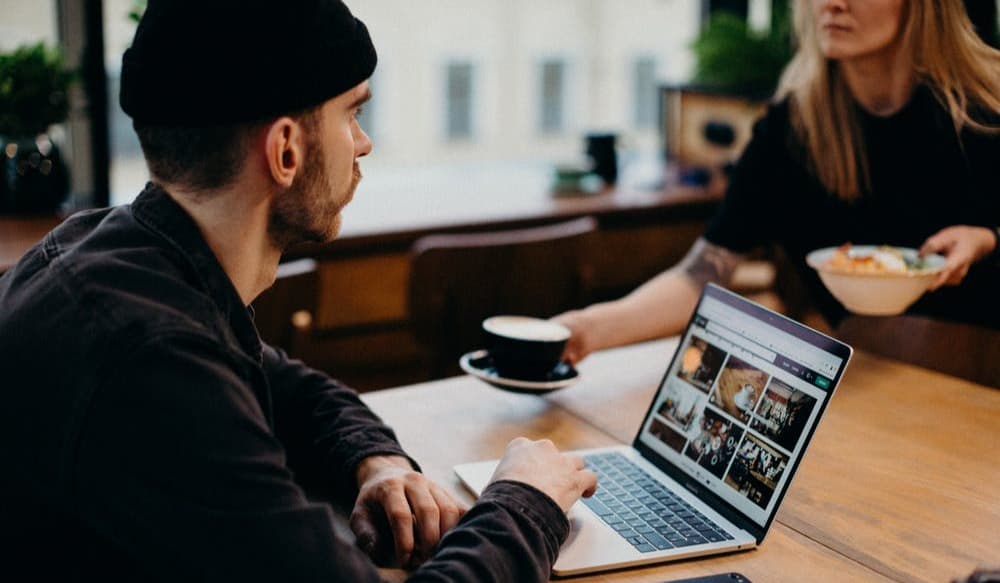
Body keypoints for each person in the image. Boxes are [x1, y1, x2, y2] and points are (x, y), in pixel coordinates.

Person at [0, 1, 598, 580]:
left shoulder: (113, 256)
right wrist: (526, 499)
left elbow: (296, 391)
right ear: (286, 150)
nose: (363, 143)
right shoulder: (152, 366)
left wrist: (377, 464)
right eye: (351, 114)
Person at [556, 0, 1000, 364]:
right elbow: (703, 274)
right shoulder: (792, 130)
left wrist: (988, 240)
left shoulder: (988, 107)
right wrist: (588, 329)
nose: (832, 4)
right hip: (874, 378)